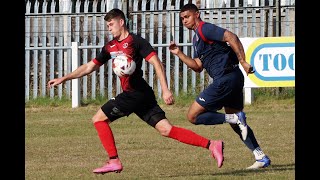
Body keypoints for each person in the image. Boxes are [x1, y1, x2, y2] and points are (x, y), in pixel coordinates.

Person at [47, 8, 224, 174]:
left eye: (111, 24)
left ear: (121, 22)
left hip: (134, 94)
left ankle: (114, 160)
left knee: (98, 119)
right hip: (142, 95)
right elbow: (88, 67)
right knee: (166, 129)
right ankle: (211, 144)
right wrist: (64, 78)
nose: (109, 28)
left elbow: (156, 63)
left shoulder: (136, 42)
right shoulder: (109, 47)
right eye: (107, 25)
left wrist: (165, 90)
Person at [168, 3, 271, 169]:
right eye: (182, 19)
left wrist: (243, 60)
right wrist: (179, 53)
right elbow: (197, 66)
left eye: (187, 16)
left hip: (226, 78)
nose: (184, 21)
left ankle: (235, 118)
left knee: (193, 116)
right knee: (237, 124)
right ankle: (260, 156)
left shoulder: (204, 29)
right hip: (232, 79)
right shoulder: (196, 39)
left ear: (197, 14)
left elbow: (231, 36)